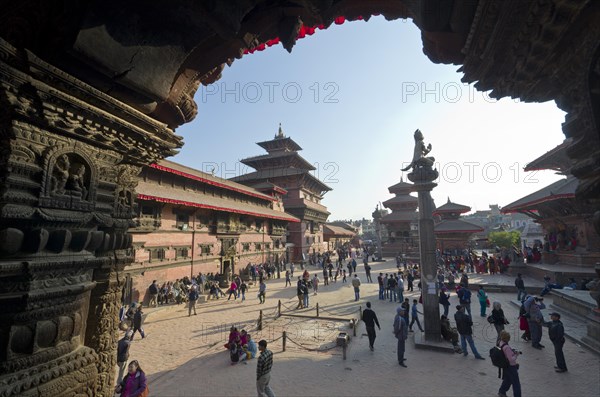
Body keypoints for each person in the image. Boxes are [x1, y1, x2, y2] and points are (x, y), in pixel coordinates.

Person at [497, 330, 521, 397]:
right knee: (516, 383)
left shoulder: (500, 342)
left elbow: (506, 354)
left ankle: (502, 391)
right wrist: (516, 354)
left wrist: (512, 351)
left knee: (508, 379)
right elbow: (511, 359)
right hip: (511, 366)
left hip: (505, 366)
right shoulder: (506, 347)